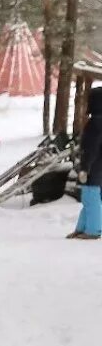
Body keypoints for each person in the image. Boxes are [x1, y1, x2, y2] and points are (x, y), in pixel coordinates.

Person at [69, 86, 102, 240]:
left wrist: (85, 168)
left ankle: (93, 230)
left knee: (91, 198)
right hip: (98, 167)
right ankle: (82, 227)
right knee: (89, 199)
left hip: (94, 168)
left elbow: (91, 148)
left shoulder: (95, 123)